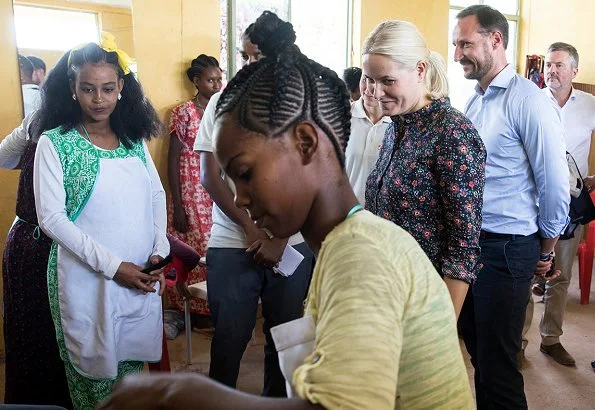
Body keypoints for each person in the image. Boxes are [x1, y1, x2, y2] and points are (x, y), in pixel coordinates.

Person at [98, 11, 474, 410]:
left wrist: (186, 393)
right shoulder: (344, 245)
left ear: (306, 144)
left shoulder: (361, 255)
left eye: (245, 174)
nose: (239, 200)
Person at [31, 42, 168, 410]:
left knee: (131, 376)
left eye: (108, 88)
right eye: (88, 88)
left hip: (137, 275)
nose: (98, 99)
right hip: (86, 282)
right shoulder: (55, 144)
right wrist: (113, 266)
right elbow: (52, 219)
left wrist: (159, 249)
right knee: (95, 380)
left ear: (121, 87)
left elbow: (156, 195)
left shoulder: (133, 140)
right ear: (72, 89)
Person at [453, 5, 570, 409]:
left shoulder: (529, 101)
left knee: (499, 366)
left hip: (506, 248)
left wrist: (547, 247)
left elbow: (554, 182)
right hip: (471, 247)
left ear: (496, 39)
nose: (457, 54)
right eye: (456, 45)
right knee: (478, 354)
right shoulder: (475, 101)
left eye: (465, 43)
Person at [194, 22, 314, 397]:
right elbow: (209, 175)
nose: (249, 65)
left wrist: (279, 237)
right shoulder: (221, 103)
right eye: (245, 56)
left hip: (291, 243)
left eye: (258, 56)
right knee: (228, 339)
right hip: (234, 240)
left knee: (287, 341)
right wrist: (251, 230)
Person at [363, 20, 486, 318]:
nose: (376, 92)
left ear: (419, 70)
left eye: (387, 81)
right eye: (369, 79)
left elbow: (462, 248)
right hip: (385, 292)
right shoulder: (397, 126)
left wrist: (439, 332)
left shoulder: (451, 132)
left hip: (422, 303)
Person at [523, 42, 595, 367]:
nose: (551, 70)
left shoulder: (589, 105)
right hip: (531, 202)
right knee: (524, 276)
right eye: (549, 65)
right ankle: (517, 345)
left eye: (559, 65)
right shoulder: (530, 101)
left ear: (574, 71)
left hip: (571, 203)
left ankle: (551, 340)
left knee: (561, 276)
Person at [1, 111, 72, 408]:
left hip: (29, 242)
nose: (98, 98)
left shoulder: (40, 116)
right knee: (45, 336)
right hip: (40, 247)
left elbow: (5, 157)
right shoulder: (43, 120)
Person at [166, 54, 222, 324]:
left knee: (214, 248)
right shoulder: (182, 112)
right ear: (197, 81)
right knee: (194, 249)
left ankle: (212, 306)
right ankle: (192, 309)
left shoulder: (221, 111)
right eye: (211, 80)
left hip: (214, 189)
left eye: (219, 79)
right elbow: (173, 158)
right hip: (189, 190)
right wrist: (177, 204)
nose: (217, 85)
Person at [344, 75, 391, 205]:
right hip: (345, 214)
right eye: (366, 79)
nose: (369, 88)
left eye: (379, 81)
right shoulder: (343, 116)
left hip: (381, 219)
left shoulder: (398, 124)